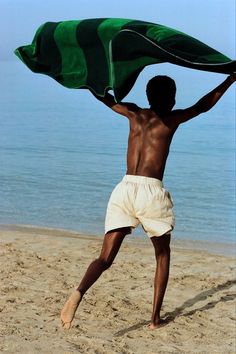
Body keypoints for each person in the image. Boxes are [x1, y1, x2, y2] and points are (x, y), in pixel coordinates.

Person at [60, 73, 236, 330]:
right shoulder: (171, 120)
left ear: (148, 96)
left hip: (124, 188)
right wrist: (230, 79)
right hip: (151, 192)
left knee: (105, 258)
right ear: (172, 98)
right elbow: (204, 105)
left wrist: (87, 77)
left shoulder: (134, 114)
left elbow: (105, 98)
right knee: (162, 255)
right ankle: (154, 319)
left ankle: (78, 293)